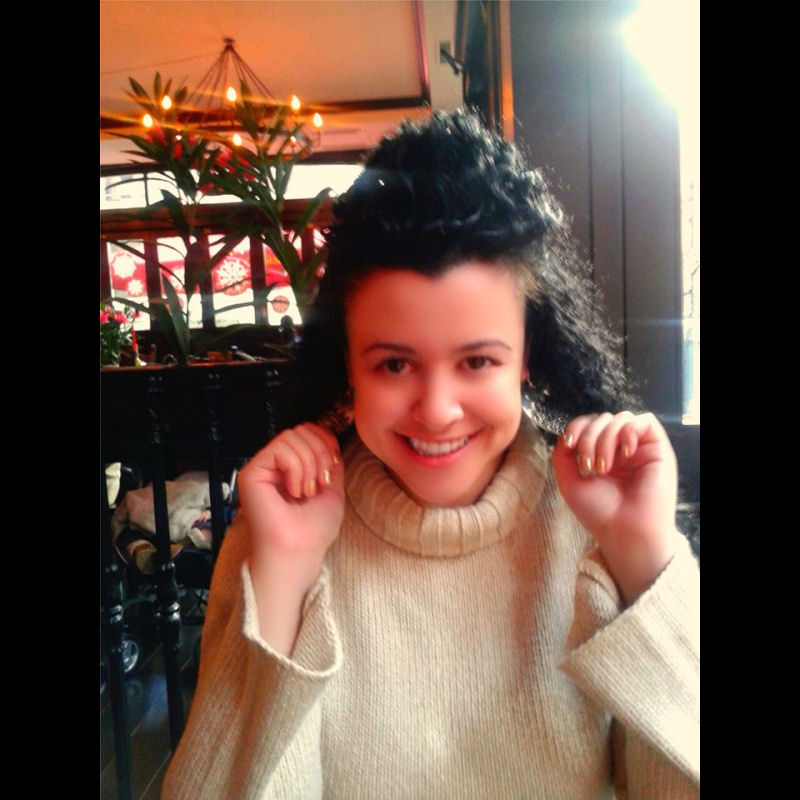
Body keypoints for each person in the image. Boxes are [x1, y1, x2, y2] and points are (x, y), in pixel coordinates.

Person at [162, 110, 699, 799]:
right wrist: (284, 578)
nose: (437, 409)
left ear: (527, 357)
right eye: (394, 364)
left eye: (477, 361)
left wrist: (644, 559)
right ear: (347, 364)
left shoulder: (593, 530)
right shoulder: (276, 533)